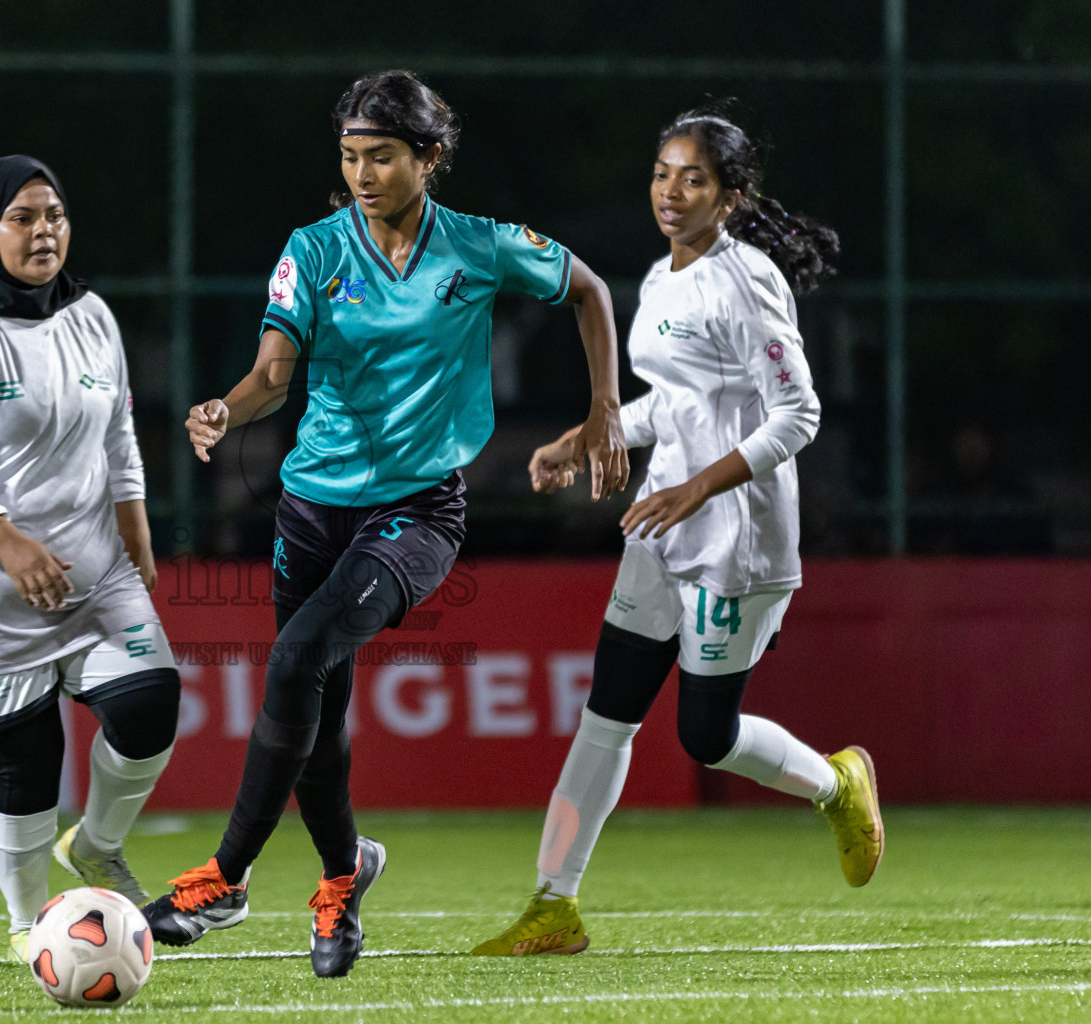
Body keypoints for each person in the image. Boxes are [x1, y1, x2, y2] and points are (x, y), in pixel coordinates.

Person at [141, 70, 629, 978]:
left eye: (383, 156)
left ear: (429, 158)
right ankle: (340, 876)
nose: (362, 173)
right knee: (314, 710)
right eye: (350, 156)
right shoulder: (314, 249)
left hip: (416, 513)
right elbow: (273, 374)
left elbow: (591, 290)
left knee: (295, 662)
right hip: (311, 510)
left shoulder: (480, 247)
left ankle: (228, 877)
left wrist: (604, 407)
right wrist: (225, 410)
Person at [472, 108, 882, 958]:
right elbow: (679, 402)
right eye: (662, 172)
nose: (671, 191)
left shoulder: (748, 281)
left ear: (729, 197)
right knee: (606, 713)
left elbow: (796, 413)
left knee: (706, 733)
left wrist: (701, 484)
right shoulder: (660, 278)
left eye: (693, 178)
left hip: (737, 539)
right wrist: (594, 434)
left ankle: (836, 782)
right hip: (661, 526)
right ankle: (554, 906)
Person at [0, 155, 180, 964]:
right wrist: (2, 539)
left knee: (151, 702)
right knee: (27, 759)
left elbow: (118, 433)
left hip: (90, 569)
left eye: (54, 214)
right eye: (22, 218)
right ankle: (27, 924)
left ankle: (96, 845)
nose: (43, 231)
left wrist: (135, 525)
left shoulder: (91, 315)